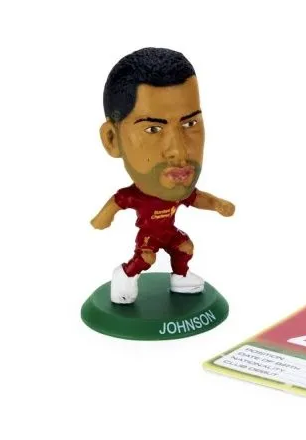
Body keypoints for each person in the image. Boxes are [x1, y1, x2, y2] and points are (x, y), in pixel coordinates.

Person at [91, 48, 235, 304]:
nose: (179, 152)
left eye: (190, 124)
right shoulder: (138, 196)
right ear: (112, 140)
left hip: (169, 232)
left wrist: (217, 204)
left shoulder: (180, 191)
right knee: (146, 258)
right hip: (148, 237)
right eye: (153, 129)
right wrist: (103, 218)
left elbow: (198, 198)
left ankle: (181, 277)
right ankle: (125, 276)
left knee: (185, 248)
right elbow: (117, 203)